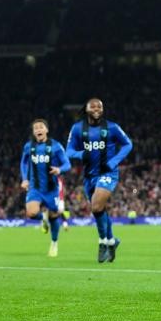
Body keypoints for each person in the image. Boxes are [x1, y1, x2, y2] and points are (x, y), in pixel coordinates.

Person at [66, 98, 133, 263]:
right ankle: (112, 241)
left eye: (99, 106)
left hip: (108, 173)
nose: (96, 108)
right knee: (99, 211)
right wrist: (81, 154)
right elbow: (69, 151)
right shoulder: (77, 128)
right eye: (93, 106)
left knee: (96, 206)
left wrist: (113, 162)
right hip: (89, 176)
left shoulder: (112, 127)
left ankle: (103, 242)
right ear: (86, 109)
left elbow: (128, 144)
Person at [20, 119, 71, 257]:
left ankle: (54, 243)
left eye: (41, 127)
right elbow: (23, 162)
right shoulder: (28, 146)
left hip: (51, 188)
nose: (38, 130)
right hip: (35, 187)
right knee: (31, 213)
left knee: (54, 216)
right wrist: (24, 178)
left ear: (46, 130)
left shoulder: (56, 146)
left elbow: (67, 164)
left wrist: (59, 169)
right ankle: (43, 217)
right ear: (33, 132)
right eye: (35, 128)